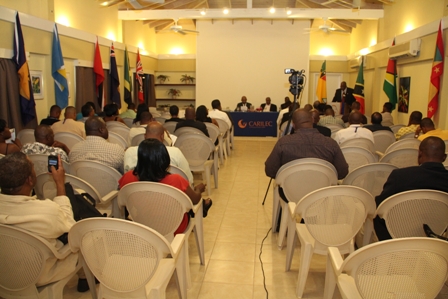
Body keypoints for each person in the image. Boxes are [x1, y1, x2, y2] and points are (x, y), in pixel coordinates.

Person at [0, 152, 80, 289]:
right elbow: (70, 226)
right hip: (39, 273)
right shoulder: (47, 211)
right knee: (84, 235)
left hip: (5, 271)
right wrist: (60, 184)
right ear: (29, 180)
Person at [119, 139, 213, 232]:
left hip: (142, 225)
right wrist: (198, 190)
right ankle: (203, 208)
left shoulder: (128, 177)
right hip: (174, 227)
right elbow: (195, 200)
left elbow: (122, 199)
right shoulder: (176, 180)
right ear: (165, 158)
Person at [374, 137, 448, 241]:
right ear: (444, 157)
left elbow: (380, 205)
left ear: (419, 154)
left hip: (396, 235)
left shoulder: (400, 176)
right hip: (436, 235)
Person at [265, 109, 349, 184]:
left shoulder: (283, 143)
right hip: (322, 194)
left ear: (293, 124)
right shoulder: (331, 143)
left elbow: (270, 170)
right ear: (312, 120)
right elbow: (342, 172)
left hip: (290, 193)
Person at [124, 122, 194, 184]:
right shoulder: (176, 152)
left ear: (145, 136)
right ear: (162, 136)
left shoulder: (129, 152)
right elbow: (188, 180)